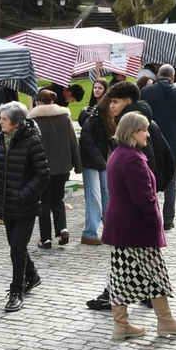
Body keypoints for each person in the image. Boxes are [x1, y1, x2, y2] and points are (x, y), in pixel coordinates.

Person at [103, 110, 176, 340]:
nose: (148, 134)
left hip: (122, 228)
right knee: (155, 274)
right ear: (132, 132)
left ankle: (122, 324)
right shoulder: (132, 158)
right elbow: (145, 198)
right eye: (144, 130)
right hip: (136, 228)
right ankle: (165, 321)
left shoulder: (120, 153)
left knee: (121, 275)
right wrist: (155, 222)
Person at [0, 102, 49, 312]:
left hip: (25, 206)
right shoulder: (2, 138)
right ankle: (32, 275)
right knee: (16, 246)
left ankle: (16, 291)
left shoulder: (32, 140)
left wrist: (24, 195)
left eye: (3, 119)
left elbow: (42, 174)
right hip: (7, 203)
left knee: (17, 249)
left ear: (16, 122)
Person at [29, 90, 81, 248]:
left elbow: (30, 146)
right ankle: (62, 229)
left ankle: (45, 239)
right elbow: (73, 142)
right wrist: (78, 165)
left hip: (41, 168)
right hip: (63, 166)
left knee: (43, 203)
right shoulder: (64, 117)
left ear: (38, 101)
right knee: (58, 199)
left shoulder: (33, 120)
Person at [141, 66, 176, 226]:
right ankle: (168, 219)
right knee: (171, 182)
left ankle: (151, 218)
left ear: (158, 75)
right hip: (173, 141)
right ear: (173, 76)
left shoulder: (147, 92)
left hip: (150, 140)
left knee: (149, 180)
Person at [78, 81, 112, 246]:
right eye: (95, 87)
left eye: (100, 88)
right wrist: (100, 160)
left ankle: (109, 228)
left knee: (106, 194)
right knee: (95, 197)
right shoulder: (93, 116)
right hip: (93, 161)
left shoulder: (105, 117)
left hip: (102, 161)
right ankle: (90, 232)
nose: (97, 90)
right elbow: (86, 139)